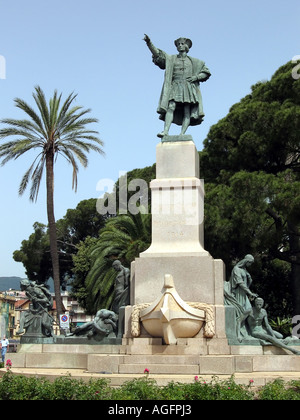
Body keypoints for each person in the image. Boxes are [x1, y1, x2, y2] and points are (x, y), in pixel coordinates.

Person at [143, 34, 211, 138]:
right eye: (178, 44)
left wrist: (196, 78)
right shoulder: (171, 59)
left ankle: (182, 134)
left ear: (186, 46)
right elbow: (158, 54)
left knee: (187, 110)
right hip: (175, 85)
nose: (180, 45)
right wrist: (149, 43)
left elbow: (205, 72)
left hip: (188, 86)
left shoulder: (195, 61)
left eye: (182, 44)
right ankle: (165, 131)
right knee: (171, 106)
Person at [224, 254, 258, 341]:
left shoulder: (244, 270)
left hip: (243, 293)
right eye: (250, 263)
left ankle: (244, 331)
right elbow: (240, 283)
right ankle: (238, 334)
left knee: (248, 310)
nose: (250, 265)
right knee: (242, 312)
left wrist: (249, 279)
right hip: (238, 293)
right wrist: (250, 293)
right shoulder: (236, 269)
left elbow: (246, 283)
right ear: (246, 261)